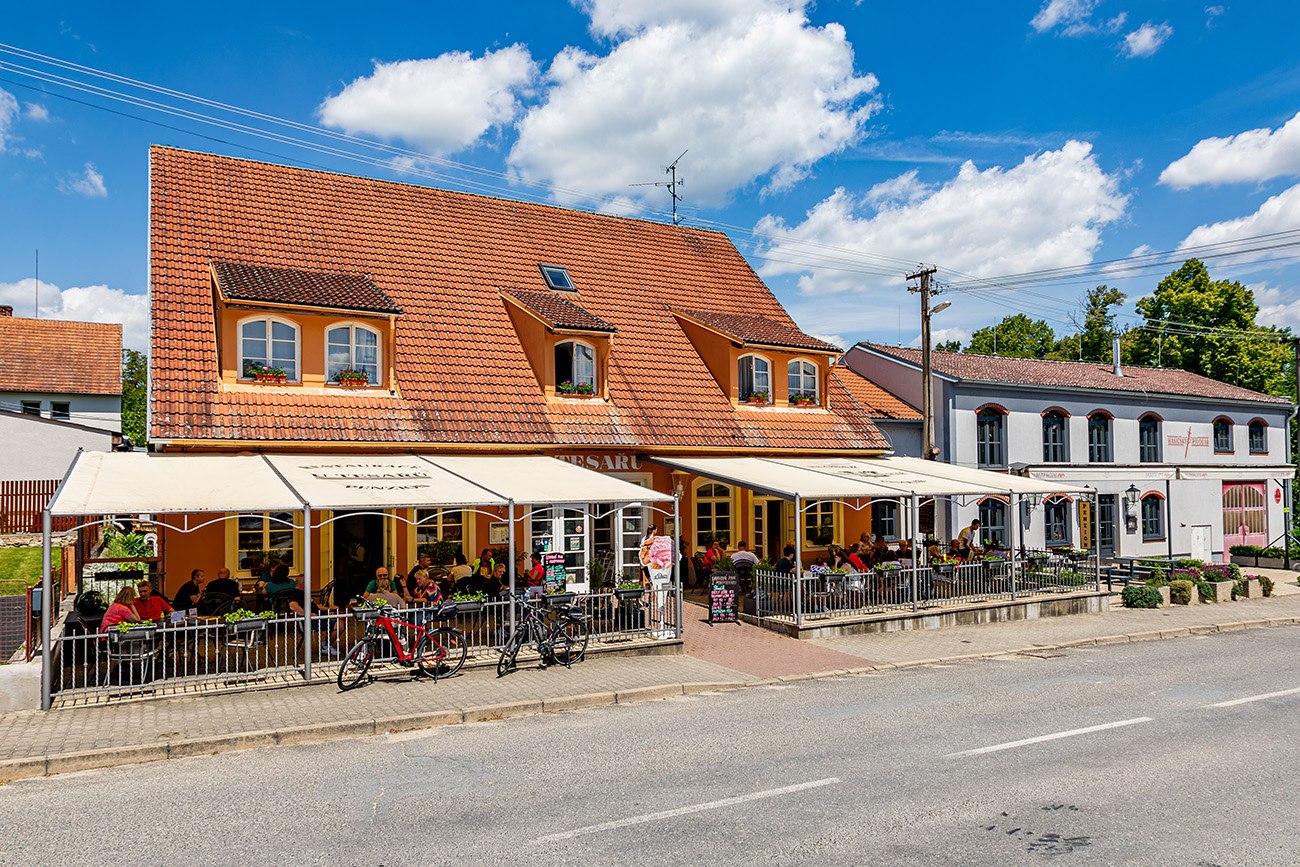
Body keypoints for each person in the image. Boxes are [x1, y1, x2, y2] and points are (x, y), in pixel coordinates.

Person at [288, 575, 344, 656]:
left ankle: (325, 644)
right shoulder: (296, 594)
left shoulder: (304, 593)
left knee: (341, 619)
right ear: (302, 584)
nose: (310, 583)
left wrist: (329, 608)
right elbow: (292, 606)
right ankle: (326, 645)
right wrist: (308, 614)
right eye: (309, 582)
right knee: (340, 624)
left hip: (317, 618)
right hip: (311, 622)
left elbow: (316, 606)